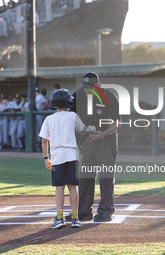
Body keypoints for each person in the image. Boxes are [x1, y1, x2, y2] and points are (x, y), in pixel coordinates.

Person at [66, 72, 121, 222]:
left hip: (106, 143)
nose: (86, 90)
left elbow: (118, 122)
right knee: (85, 177)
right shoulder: (79, 94)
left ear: (98, 85)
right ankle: (83, 211)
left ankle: (105, 211)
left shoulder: (109, 96)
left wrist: (103, 134)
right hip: (88, 142)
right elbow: (70, 115)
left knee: (105, 177)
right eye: (85, 87)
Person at [39, 88, 85, 229]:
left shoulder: (49, 119)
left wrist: (46, 158)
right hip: (72, 155)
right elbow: (83, 129)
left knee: (59, 187)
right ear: (68, 102)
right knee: (72, 187)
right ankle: (75, 218)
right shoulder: (73, 116)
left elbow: (44, 140)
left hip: (57, 156)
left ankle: (59, 218)